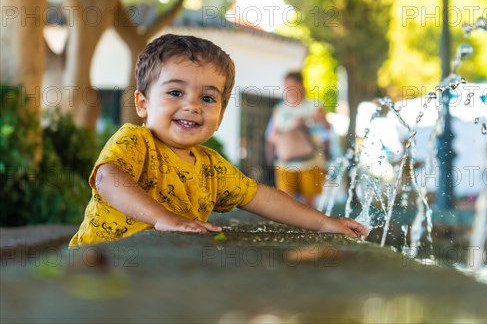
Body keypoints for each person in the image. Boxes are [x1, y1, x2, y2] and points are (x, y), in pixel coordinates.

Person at [70, 35, 367, 246]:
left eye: (208, 98)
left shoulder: (212, 168)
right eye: (175, 92)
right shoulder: (136, 141)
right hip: (93, 269)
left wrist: (326, 222)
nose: (193, 105)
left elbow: (264, 198)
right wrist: (164, 218)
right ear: (142, 103)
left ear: (221, 115)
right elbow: (109, 179)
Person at [266, 72, 330, 207]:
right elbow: (271, 136)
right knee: (287, 204)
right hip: (285, 163)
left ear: (301, 85)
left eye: (292, 85)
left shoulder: (315, 106)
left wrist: (307, 122)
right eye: (286, 86)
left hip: (311, 162)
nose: (288, 89)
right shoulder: (279, 109)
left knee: (309, 205)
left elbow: (326, 130)